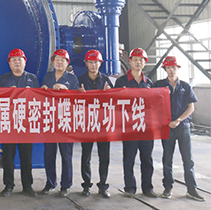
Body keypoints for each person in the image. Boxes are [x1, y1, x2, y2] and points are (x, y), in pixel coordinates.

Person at [153, 56, 204, 201]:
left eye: (173, 67)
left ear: (177, 68)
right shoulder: (159, 85)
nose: (171, 70)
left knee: (188, 159)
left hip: (183, 128)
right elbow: (150, 101)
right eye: (168, 67)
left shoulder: (185, 86)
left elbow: (191, 108)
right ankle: (168, 188)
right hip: (167, 128)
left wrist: (178, 120)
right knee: (167, 159)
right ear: (165, 69)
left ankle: (192, 189)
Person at [114, 48, 157, 198]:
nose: (138, 62)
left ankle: (147, 188)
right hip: (129, 127)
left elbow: (154, 105)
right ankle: (129, 188)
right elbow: (115, 103)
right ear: (130, 61)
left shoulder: (149, 83)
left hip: (146, 128)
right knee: (129, 159)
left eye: (141, 60)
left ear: (145, 63)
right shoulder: (121, 82)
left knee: (147, 159)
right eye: (135, 59)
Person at [0, 48, 39, 197]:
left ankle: (28, 186)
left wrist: (30, 93)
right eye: (13, 60)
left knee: (26, 157)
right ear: (9, 63)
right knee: (8, 157)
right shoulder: (3, 79)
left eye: (19, 59)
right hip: (9, 123)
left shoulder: (32, 79)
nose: (17, 62)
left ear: (24, 62)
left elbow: (38, 100)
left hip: (26, 124)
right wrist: (9, 93)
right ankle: (8, 185)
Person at [40, 49, 79, 197]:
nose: (59, 62)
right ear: (53, 62)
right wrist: (43, 90)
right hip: (50, 120)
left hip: (65, 121)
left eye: (62, 60)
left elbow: (76, 100)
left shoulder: (72, 79)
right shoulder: (48, 76)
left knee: (66, 155)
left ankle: (66, 185)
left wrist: (65, 89)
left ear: (67, 63)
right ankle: (50, 183)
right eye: (57, 60)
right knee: (49, 154)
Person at [77, 49, 113, 198]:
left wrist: (109, 92)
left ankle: (103, 185)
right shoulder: (79, 80)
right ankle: (86, 185)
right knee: (86, 156)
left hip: (103, 124)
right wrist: (78, 94)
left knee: (104, 156)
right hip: (87, 124)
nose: (93, 65)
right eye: (90, 62)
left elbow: (115, 101)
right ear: (86, 63)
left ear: (100, 64)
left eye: (96, 62)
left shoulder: (106, 80)